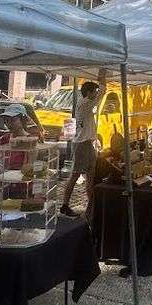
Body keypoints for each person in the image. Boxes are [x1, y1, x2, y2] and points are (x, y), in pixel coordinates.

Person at [60, 69, 106, 218]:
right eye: (94, 91)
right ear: (89, 93)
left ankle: (91, 207)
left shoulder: (85, 105)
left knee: (91, 176)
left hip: (87, 143)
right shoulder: (85, 103)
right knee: (75, 175)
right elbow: (102, 92)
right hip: (81, 144)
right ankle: (65, 205)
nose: (96, 93)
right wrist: (102, 77)